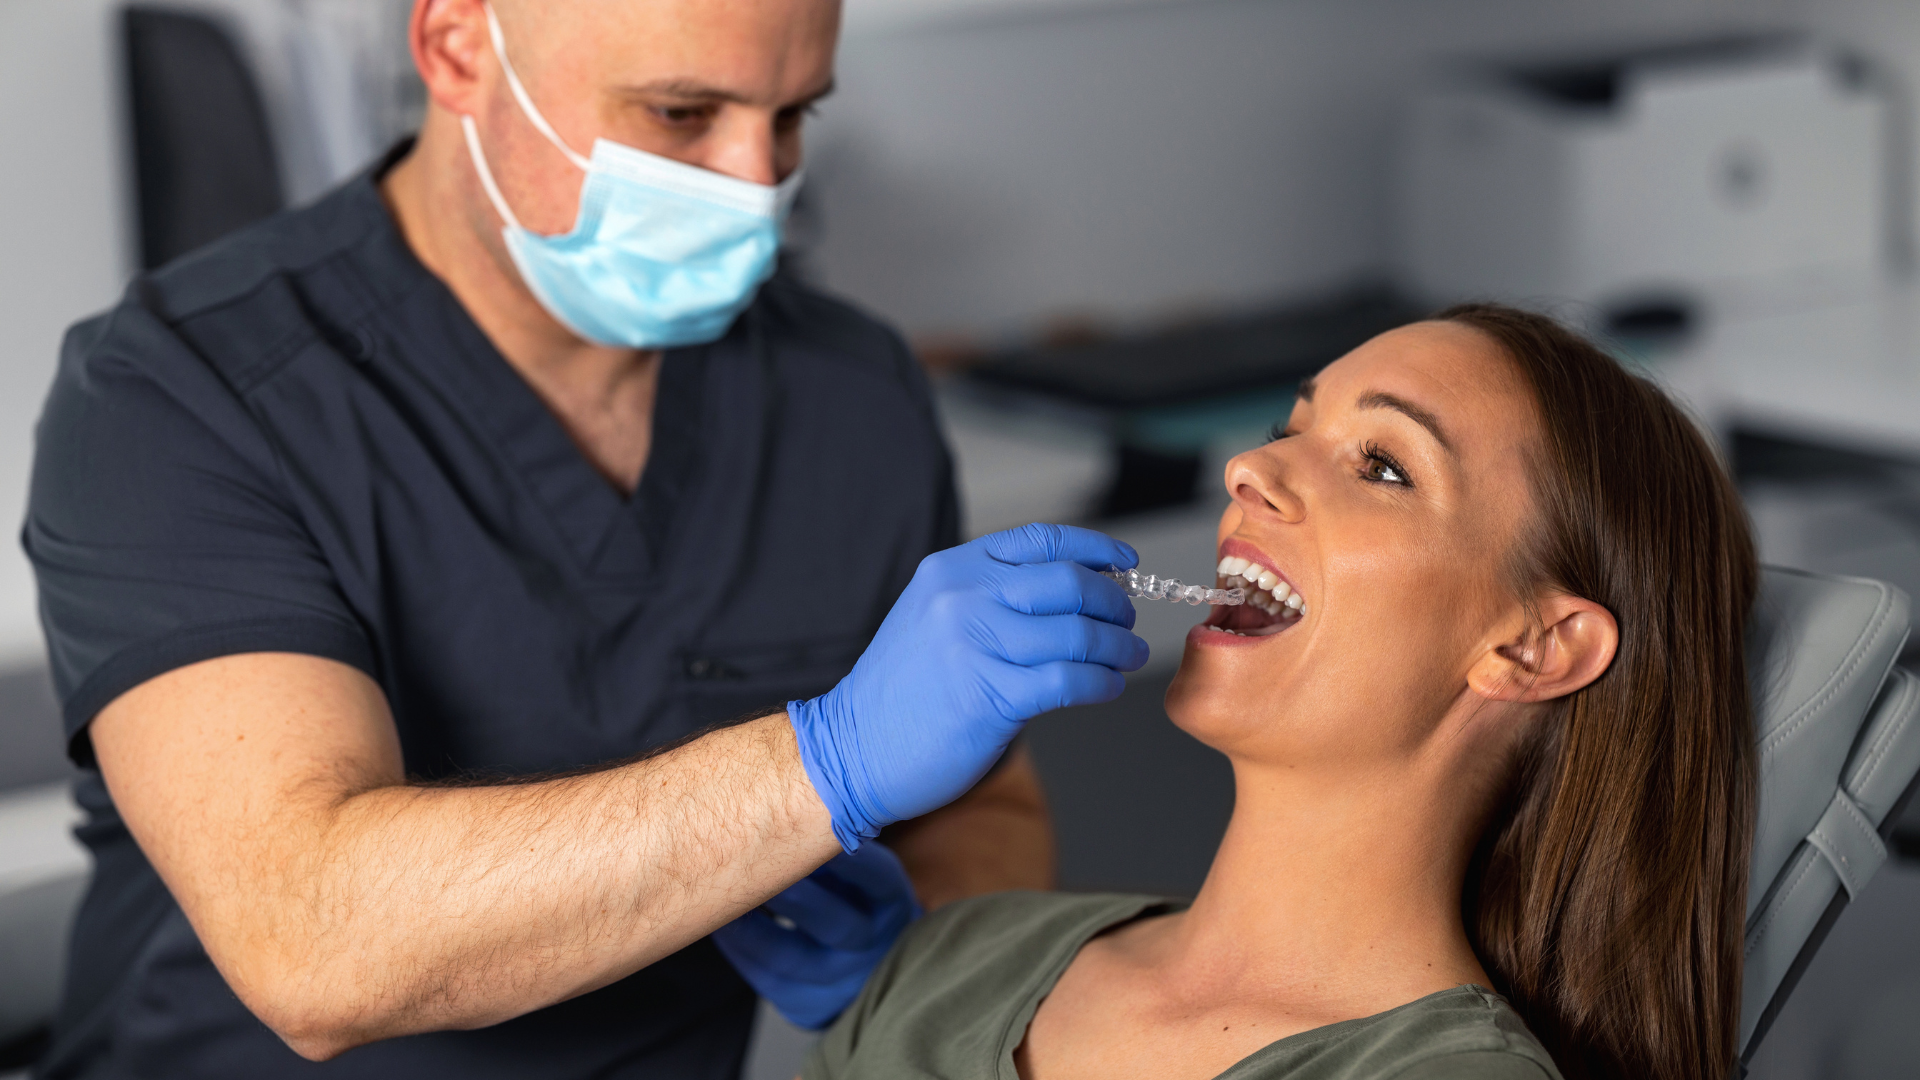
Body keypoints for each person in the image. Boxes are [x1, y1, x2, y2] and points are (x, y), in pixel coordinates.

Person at [21, 0, 1149, 1076]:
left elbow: (978, 805)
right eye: (679, 115)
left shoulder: (849, 397)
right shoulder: (182, 393)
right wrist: (822, 765)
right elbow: (313, 943)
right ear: (460, 47)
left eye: (795, 114)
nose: (758, 184)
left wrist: (927, 958)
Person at [805, 304, 1759, 1080]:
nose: (1249, 470)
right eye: (1286, 431)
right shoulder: (957, 958)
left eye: (1382, 466)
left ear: (1536, 647)